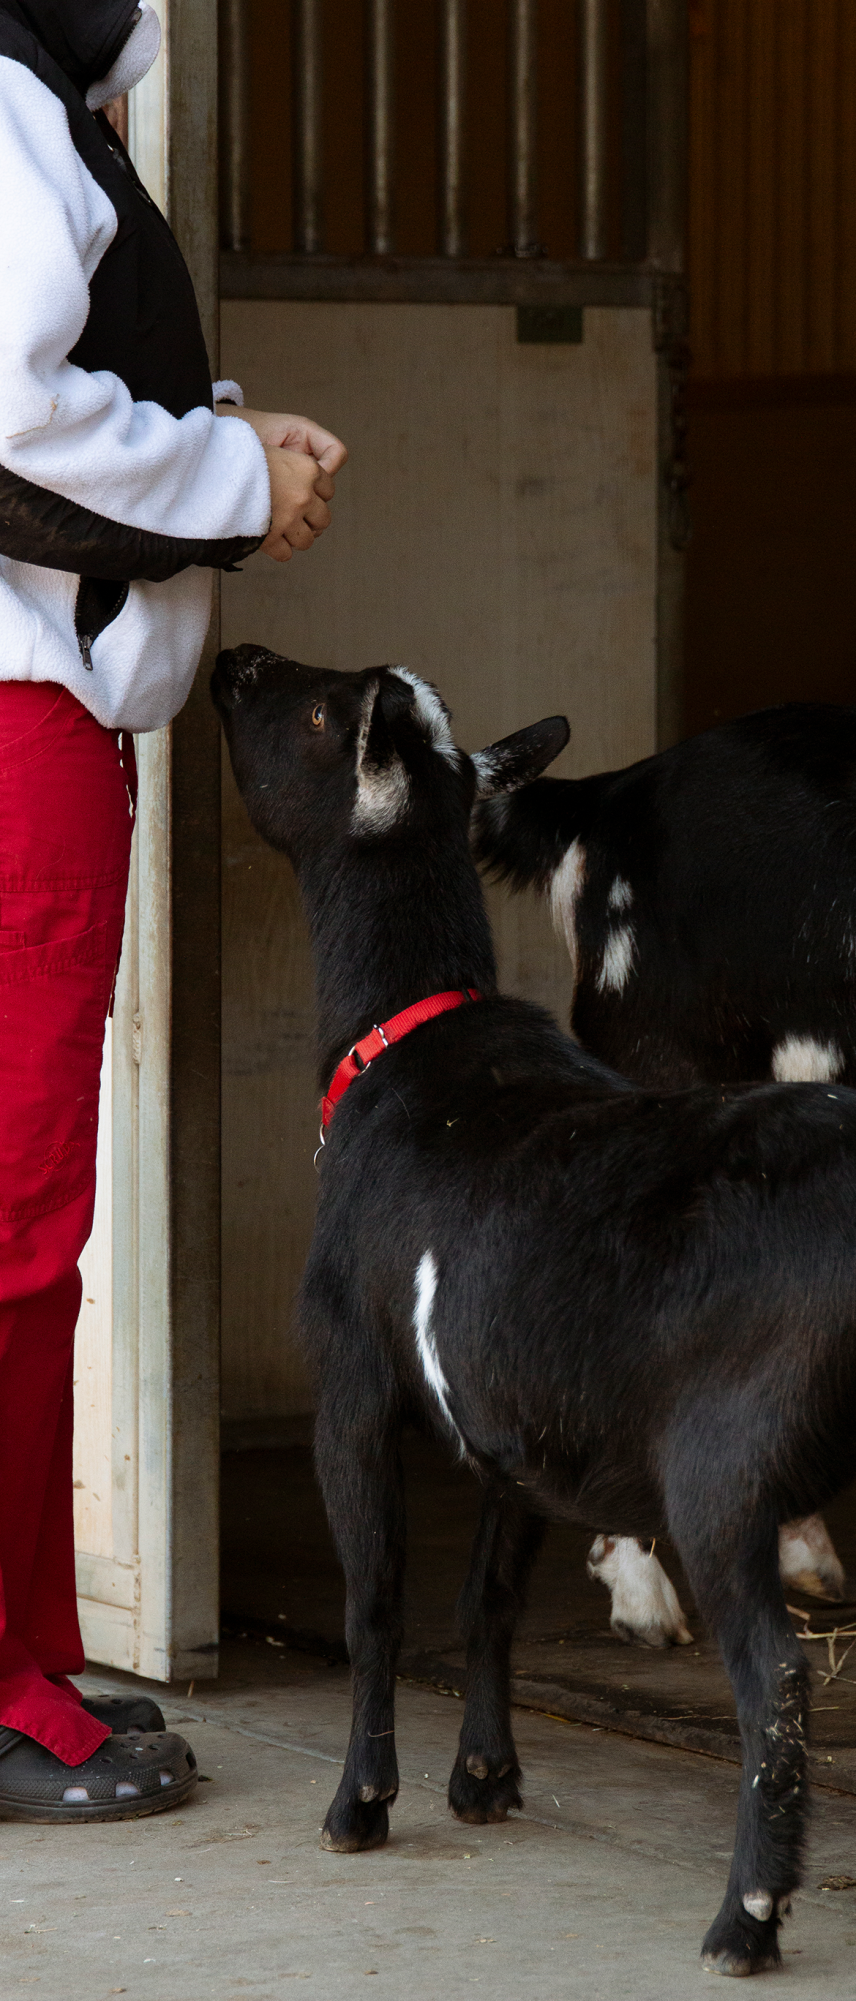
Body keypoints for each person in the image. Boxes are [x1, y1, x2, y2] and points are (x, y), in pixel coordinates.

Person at [0, 0, 346, 1820]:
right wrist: (226, 487)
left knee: (29, 1225)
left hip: (42, 713)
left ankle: (26, 1657)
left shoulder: (41, 107)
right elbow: (3, 412)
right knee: (11, 1216)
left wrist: (221, 433)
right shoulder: (3, 106)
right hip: (11, 723)